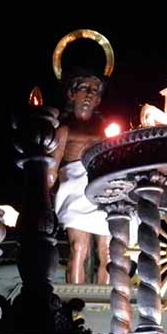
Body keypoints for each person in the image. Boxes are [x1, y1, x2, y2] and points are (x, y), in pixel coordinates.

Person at [49, 71, 112, 284]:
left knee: (108, 251)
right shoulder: (64, 129)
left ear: (98, 99)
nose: (89, 94)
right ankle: (75, 300)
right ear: (71, 94)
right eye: (84, 88)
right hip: (74, 188)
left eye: (94, 91)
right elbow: (52, 168)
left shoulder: (105, 130)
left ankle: (106, 298)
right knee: (78, 247)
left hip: (102, 186)